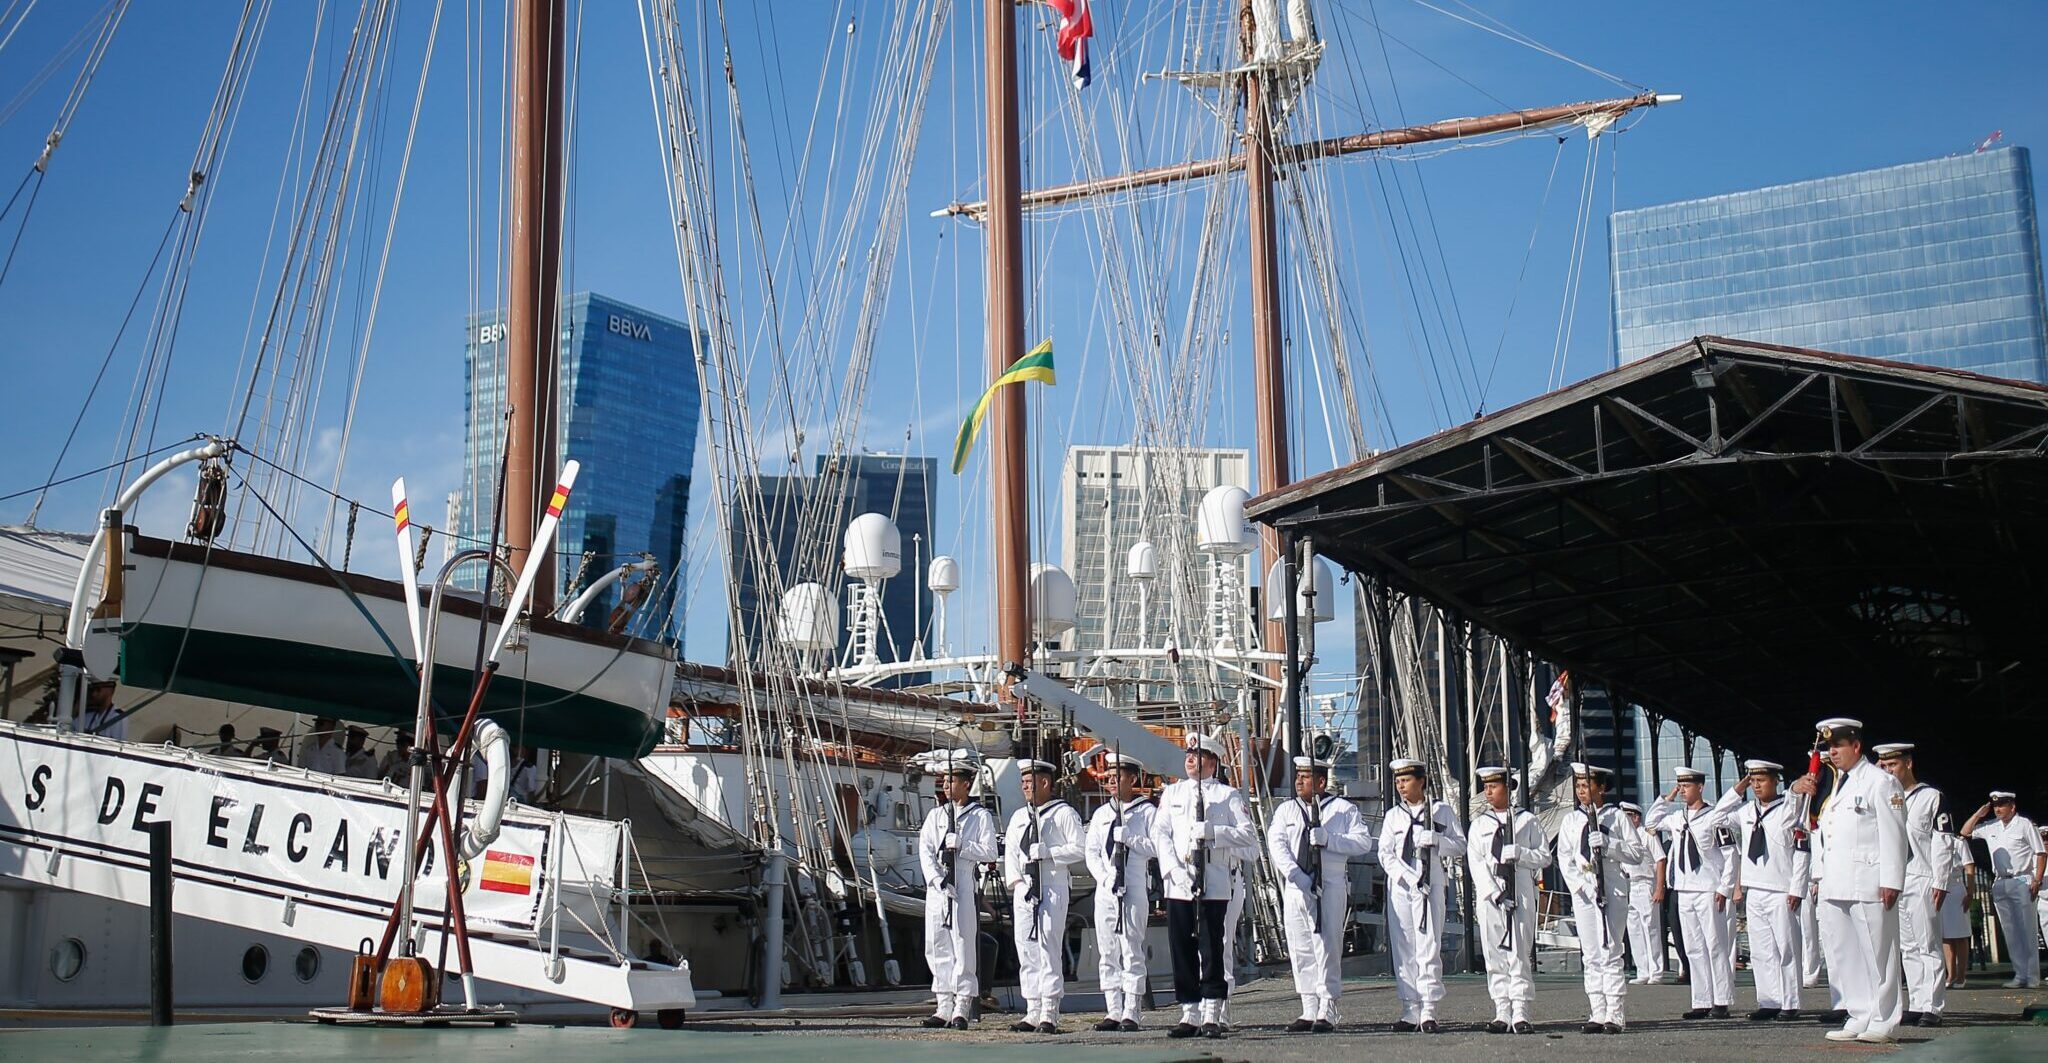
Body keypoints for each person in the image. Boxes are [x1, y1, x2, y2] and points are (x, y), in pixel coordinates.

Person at [1790, 716, 1907, 1044]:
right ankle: (1859, 1013)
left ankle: (1884, 1018)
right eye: (1829, 747)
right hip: (1834, 881)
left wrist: (1892, 879)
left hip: (1868, 880)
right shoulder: (1836, 783)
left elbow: (1894, 834)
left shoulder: (1879, 782)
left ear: (1856, 746)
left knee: (1877, 953)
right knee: (1845, 953)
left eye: (1838, 745)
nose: (1834, 752)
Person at [1149, 733, 1255, 1040]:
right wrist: (1171, 869)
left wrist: (1213, 831)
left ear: (1213, 761)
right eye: (1188, 754)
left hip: (1213, 881)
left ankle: (1211, 1011)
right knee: (1181, 947)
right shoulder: (1172, 793)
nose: (1190, 759)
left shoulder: (1228, 796)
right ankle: (1189, 1012)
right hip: (1179, 882)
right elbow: (1161, 833)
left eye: (1197, 754)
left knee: (1211, 947)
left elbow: (1247, 835)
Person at [1267, 755, 1374, 1033]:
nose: (1299, 781)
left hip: (1330, 883)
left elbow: (1362, 841)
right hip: (1297, 885)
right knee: (1300, 946)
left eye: (1305, 777)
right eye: (1298, 776)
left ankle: (1327, 1005)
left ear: (1321, 781)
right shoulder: (1287, 810)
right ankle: (1308, 1007)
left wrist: (1330, 840)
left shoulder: (1342, 809)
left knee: (1327, 945)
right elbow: (1277, 844)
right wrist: (1296, 875)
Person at [1377, 757, 1467, 1033]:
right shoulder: (1394, 816)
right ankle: (1409, 1009)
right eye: (1398, 781)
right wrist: (1406, 875)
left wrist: (1438, 840)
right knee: (1404, 947)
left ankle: (1429, 1009)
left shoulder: (1440, 811)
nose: (1401, 786)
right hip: (1403, 886)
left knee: (1428, 945)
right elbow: (1385, 853)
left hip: (1431, 885)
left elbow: (1461, 845)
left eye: (1406, 780)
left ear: (1421, 782)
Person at [1645, 765, 1739, 1020]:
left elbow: (1731, 854)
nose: (1684, 790)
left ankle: (1721, 1000)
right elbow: (1651, 822)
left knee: (1715, 944)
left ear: (1700, 787)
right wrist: (1669, 797)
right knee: (1693, 947)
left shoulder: (1713, 816)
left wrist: (1725, 886)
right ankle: (1701, 1000)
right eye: (1681, 785)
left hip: (1708, 888)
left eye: (1687, 786)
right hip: (1684, 889)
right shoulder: (1677, 818)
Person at [1872, 742, 1954, 1025]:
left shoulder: (1931, 796)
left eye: (1892, 764)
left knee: (1928, 943)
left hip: (1922, 875)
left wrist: (1941, 880)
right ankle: (1917, 1002)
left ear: (1908, 763)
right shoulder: (1882, 798)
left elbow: (1944, 840)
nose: (1887, 771)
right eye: (1883, 765)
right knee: (1907, 946)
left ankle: (1933, 1005)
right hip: (1896, 880)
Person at [1556, 762, 1641, 1033]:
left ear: (1601, 787)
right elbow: (1565, 858)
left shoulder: (1616, 818)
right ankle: (1598, 1010)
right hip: (1585, 892)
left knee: (1610, 950)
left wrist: (1610, 845)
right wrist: (1581, 886)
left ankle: (1615, 1014)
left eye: (1587, 785)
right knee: (1591, 954)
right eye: (1578, 786)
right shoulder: (1571, 820)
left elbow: (1637, 853)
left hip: (1612, 887)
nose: (1582, 791)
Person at [1002, 759, 1084, 1033]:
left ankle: (1049, 1011)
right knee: (1026, 947)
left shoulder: (1063, 813)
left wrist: (1050, 853)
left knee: (1048, 946)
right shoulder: (1019, 817)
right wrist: (1016, 882)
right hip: (1026, 887)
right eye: (1023, 782)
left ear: (1045, 783)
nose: (1025, 787)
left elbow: (1079, 849)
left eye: (1029, 782)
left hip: (1051, 883)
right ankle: (1032, 1009)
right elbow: (1011, 852)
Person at [917, 750, 996, 1030]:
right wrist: (935, 879)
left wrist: (963, 844)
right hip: (939, 885)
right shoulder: (936, 815)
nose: (947, 786)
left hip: (962, 880)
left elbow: (990, 851)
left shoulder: (979, 816)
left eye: (952, 780)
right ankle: (943, 1005)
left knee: (963, 942)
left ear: (966, 783)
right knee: (937, 943)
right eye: (945, 780)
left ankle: (962, 1005)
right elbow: (925, 849)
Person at [1469, 765, 1550, 1034]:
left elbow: (1545, 856)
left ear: (1508, 788)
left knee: (1519, 953)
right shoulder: (1480, 824)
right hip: (1491, 894)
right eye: (1485, 787)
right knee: (1494, 955)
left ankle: (1521, 1011)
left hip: (1521, 889)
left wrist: (1522, 854)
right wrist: (1495, 893)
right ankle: (1502, 1010)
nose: (1488, 792)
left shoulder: (1527, 820)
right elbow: (1476, 862)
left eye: (1493, 786)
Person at [1727, 760, 1809, 1022]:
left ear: (1775, 781)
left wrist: (1797, 888)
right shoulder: (1746, 811)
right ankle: (1769, 1000)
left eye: (1762, 779)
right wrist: (1738, 788)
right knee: (1761, 950)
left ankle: (1790, 1002)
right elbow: (1717, 816)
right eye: (1753, 780)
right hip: (1755, 888)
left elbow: (1801, 850)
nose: (1757, 784)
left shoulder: (1786, 808)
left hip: (1780, 888)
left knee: (1787, 948)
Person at [1083, 752, 1156, 1032]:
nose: (1112, 779)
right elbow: (1092, 852)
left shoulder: (1146, 812)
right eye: (1110, 775)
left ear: (1133, 778)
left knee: (1131, 948)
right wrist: (1103, 878)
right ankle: (1113, 1009)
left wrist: (1132, 839)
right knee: (1107, 951)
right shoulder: (1102, 813)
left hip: (1135, 883)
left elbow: (1157, 848)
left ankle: (1132, 1010)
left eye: (1118, 775)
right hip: (1107, 889)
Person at [1959, 790, 2043, 989]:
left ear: (2012, 806)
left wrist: (2037, 880)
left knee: (2026, 929)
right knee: (2010, 930)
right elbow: (1964, 833)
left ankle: (2032, 976)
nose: (1997, 809)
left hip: (2021, 879)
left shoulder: (2024, 825)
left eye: (2002, 805)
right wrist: (1978, 814)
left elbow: (2040, 852)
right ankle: (2019, 974)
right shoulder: (1991, 827)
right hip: (2000, 882)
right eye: (1995, 806)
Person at [1618, 802, 1667, 985]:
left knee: (1650, 928)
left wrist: (1659, 887)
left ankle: (1656, 971)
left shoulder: (1646, 835)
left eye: (1627, 816)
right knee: (1634, 930)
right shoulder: (1624, 838)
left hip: (1645, 883)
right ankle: (1643, 970)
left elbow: (1660, 860)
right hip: (1628, 884)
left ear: (1636, 817)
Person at [1938, 812, 1973, 990]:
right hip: (1941, 889)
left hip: (1957, 888)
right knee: (1946, 936)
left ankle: (1961, 975)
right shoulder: (1934, 842)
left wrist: (1971, 891)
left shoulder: (1959, 843)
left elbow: (1969, 867)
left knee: (1959, 935)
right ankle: (1950, 975)